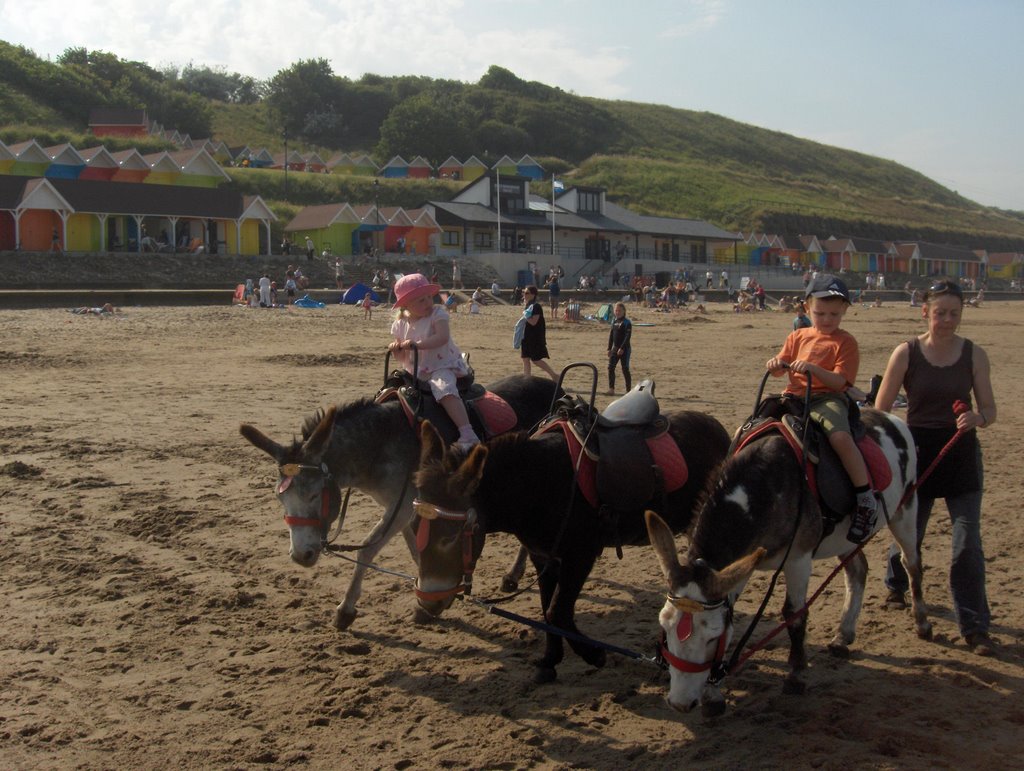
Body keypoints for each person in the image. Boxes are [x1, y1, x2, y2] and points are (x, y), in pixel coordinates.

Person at [874, 280, 997, 655]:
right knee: (911, 535)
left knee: (967, 544)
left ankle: (975, 626)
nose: (946, 320)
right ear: (924, 311)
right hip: (917, 455)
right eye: (939, 312)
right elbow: (881, 410)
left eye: (954, 314)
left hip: (960, 455)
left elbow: (990, 411)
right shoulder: (906, 353)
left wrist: (977, 417)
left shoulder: (974, 355)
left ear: (962, 314)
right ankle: (896, 583)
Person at [766, 274, 876, 543]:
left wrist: (814, 369)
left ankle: (865, 497)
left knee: (839, 437)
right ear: (806, 308)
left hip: (827, 399)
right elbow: (782, 368)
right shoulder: (797, 336)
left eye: (834, 315)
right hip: (792, 396)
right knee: (750, 428)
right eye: (821, 313)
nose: (827, 320)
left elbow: (840, 381)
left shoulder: (845, 342)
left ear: (844, 312)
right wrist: (775, 364)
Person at [389, 274, 479, 449]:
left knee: (444, 389)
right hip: (416, 369)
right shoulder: (400, 325)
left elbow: (442, 337)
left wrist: (417, 344)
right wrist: (397, 350)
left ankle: (468, 432)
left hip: (443, 364)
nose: (428, 303)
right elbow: (403, 358)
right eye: (421, 300)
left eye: (429, 297)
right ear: (406, 305)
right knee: (391, 387)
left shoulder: (437, 314)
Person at [520, 285, 558, 381]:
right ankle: (527, 379)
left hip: (534, 337)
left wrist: (525, 315)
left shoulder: (536, 306)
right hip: (526, 336)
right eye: (524, 292)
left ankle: (554, 375)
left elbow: (534, 322)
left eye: (527, 293)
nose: (524, 294)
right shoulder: (528, 306)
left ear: (533, 295)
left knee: (536, 360)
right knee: (525, 359)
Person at [606, 302, 632, 395]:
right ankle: (611, 389)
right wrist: (609, 348)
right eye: (616, 310)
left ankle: (628, 391)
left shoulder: (627, 322)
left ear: (624, 311)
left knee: (625, 369)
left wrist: (622, 348)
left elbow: (627, 337)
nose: (617, 312)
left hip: (625, 349)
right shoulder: (614, 321)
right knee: (610, 368)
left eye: (619, 311)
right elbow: (611, 336)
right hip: (615, 348)